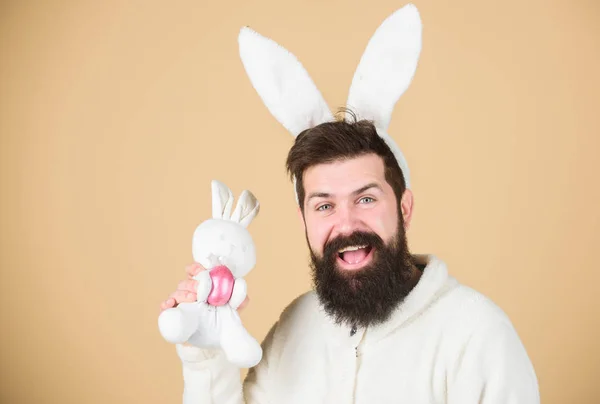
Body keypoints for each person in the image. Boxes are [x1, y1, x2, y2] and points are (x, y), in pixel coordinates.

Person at [159, 4, 540, 402]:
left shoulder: (478, 335)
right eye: (324, 206)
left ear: (404, 208)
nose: (346, 224)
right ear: (304, 221)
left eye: (366, 198)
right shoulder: (295, 328)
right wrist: (205, 352)